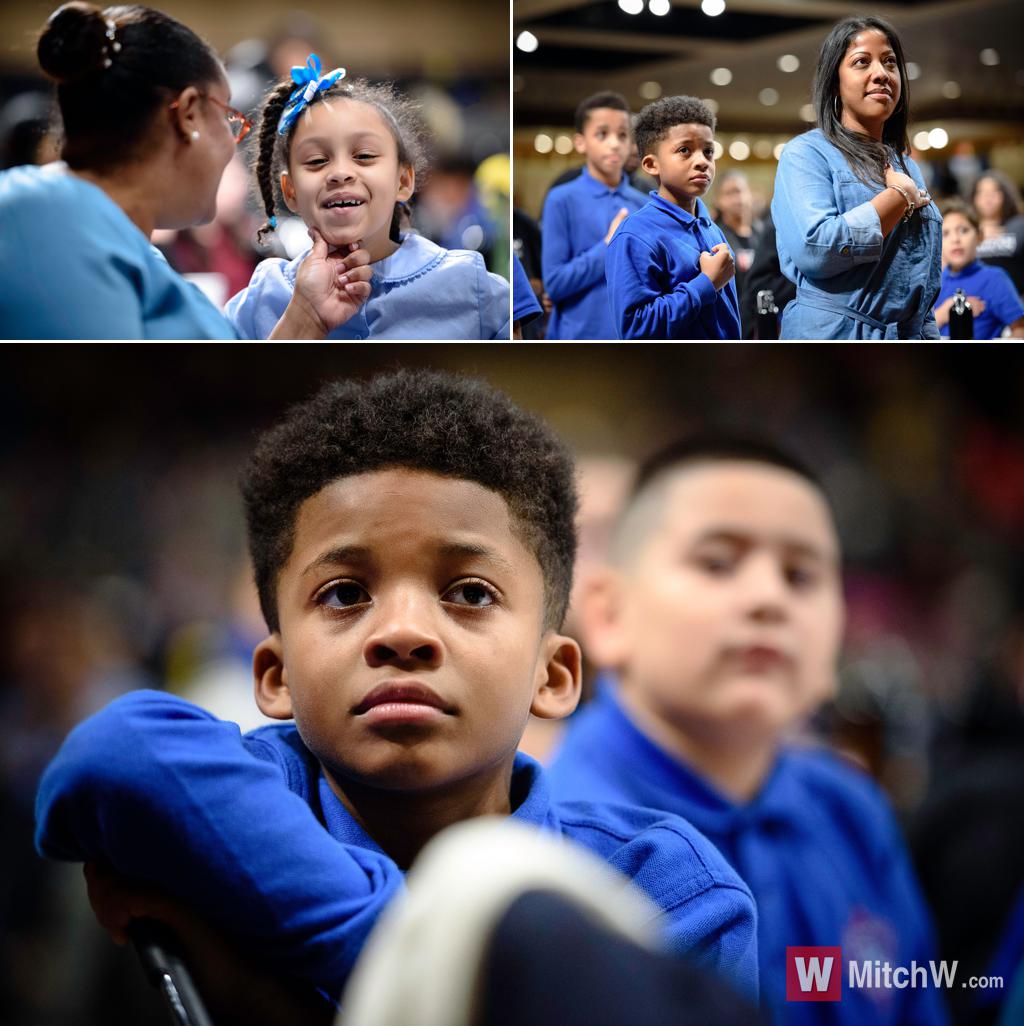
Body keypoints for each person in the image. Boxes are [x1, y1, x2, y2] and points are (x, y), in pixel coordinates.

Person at [35, 372, 760, 1013]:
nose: (405, 632)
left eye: (470, 593)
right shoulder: (241, 793)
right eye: (345, 593)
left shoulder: (663, 889)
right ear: (275, 677)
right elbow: (117, 748)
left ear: (555, 674)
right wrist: (399, 939)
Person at [547, 435, 950, 1026]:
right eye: (718, 562)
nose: (769, 598)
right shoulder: (557, 839)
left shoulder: (852, 811)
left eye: (800, 574)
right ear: (609, 614)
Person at [0, 3, 364, 340]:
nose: (232, 144)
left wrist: (304, 318)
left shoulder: (130, 249)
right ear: (188, 114)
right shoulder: (41, 222)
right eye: (228, 118)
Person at [225, 56, 509, 340]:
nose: (339, 173)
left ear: (403, 181)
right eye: (316, 160)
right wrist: (301, 317)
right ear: (291, 192)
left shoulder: (472, 287)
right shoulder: (261, 299)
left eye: (364, 156)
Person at [772, 16, 942, 339]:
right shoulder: (806, 154)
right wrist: (897, 198)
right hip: (832, 340)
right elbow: (816, 250)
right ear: (835, 82)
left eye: (890, 63)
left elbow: (922, 281)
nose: (881, 74)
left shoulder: (907, 166)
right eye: (862, 62)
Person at [604, 95, 740, 340]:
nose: (702, 162)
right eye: (684, 150)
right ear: (651, 164)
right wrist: (706, 283)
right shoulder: (635, 235)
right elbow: (635, 330)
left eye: (708, 151)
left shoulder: (711, 227)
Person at [541, 91, 647, 339]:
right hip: (577, 339)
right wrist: (609, 245)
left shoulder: (644, 204)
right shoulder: (561, 199)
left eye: (622, 135)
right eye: (602, 134)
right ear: (581, 142)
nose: (614, 143)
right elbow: (555, 284)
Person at [933, 199, 1024, 339]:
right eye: (946, 233)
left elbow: (1020, 330)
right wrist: (944, 313)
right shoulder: (935, 283)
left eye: (963, 230)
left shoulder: (994, 279)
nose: (955, 239)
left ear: (979, 236)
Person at [713, 170, 761, 337]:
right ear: (718, 201)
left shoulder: (764, 235)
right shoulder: (716, 239)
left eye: (739, 191)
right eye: (729, 193)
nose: (737, 199)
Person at [971, 170, 1024, 296]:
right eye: (981, 192)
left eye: (995, 191)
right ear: (974, 197)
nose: (988, 197)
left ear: (1005, 195)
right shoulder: (965, 229)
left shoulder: (1019, 224)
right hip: (978, 302)